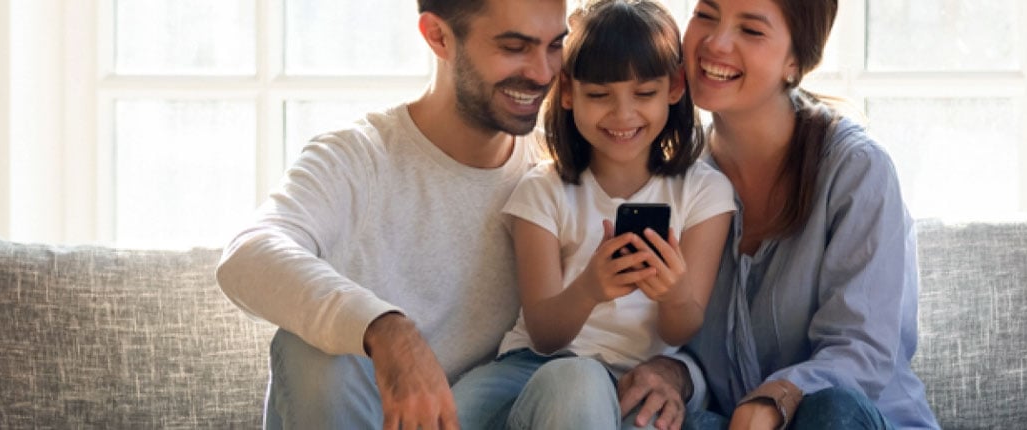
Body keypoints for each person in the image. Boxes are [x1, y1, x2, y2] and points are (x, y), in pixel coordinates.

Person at [214, 0, 572, 428]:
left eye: (555, 46)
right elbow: (248, 254)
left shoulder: (559, 170)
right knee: (310, 352)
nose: (543, 73)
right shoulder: (357, 157)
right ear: (438, 37)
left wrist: (672, 369)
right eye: (515, 47)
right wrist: (385, 329)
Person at [606, 0, 942, 428]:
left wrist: (776, 397)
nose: (715, 42)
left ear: (795, 61)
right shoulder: (674, 181)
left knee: (828, 411)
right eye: (706, 15)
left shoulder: (856, 169)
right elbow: (684, 342)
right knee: (642, 410)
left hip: (847, 420)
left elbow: (861, 351)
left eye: (751, 30)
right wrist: (672, 374)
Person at [448, 1, 735, 428]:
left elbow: (680, 330)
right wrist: (590, 288)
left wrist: (673, 293)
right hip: (529, 369)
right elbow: (545, 333)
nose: (622, 115)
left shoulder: (704, 192)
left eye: (644, 93)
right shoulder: (542, 190)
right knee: (455, 413)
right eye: (599, 95)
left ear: (675, 87)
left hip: (632, 377)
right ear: (567, 92)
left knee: (586, 386)